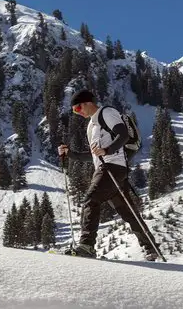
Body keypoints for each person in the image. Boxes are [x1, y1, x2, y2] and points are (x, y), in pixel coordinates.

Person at [58, 90, 160, 261]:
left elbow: (123, 134)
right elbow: (93, 155)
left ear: (88, 102)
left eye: (77, 108)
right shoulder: (92, 126)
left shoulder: (107, 113)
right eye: (75, 110)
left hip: (113, 167)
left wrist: (108, 150)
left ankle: (87, 245)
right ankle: (151, 247)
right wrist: (71, 154)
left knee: (91, 199)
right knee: (129, 213)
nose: (77, 112)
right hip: (108, 169)